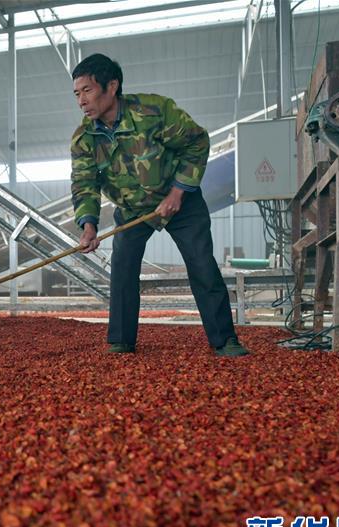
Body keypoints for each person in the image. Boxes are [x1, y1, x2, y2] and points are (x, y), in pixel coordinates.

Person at [70, 53, 248, 356]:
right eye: (77, 94)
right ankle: (121, 340)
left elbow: (197, 142)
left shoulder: (154, 111)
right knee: (123, 268)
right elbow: (84, 183)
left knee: (202, 265)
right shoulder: (84, 138)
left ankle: (224, 340)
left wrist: (177, 193)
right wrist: (88, 226)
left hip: (181, 201)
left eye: (87, 90)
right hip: (133, 210)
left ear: (112, 86)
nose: (81, 101)